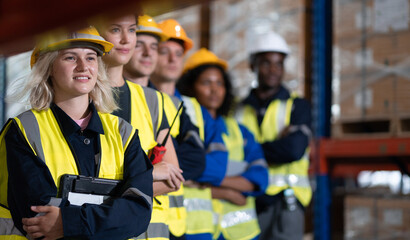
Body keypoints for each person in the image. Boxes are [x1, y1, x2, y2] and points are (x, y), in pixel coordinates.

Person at [0, 26, 153, 240]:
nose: (83, 67)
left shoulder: (123, 132)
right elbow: (39, 216)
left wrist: (70, 222)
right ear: (49, 67)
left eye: (91, 58)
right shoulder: (23, 130)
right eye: (70, 57)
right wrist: (110, 216)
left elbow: (139, 211)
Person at [96, 14, 183, 240]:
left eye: (132, 30)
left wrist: (107, 193)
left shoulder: (154, 100)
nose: (126, 39)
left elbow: (173, 178)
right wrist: (149, 175)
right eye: (115, 29)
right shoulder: (80, 97)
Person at [124, 16, 206, 240]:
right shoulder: (105, 97)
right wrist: (154, 170)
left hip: (165, 223)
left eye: (154, 47)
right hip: (123, 222)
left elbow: (196, 160)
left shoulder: (167, 103)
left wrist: (149, 170)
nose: (148, 53)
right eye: (140, 44)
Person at [178, 48, 269, 240]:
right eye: (206, 83)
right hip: (197, 230)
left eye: (219, 83)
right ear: (191, 87)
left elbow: (259, 178)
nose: (214, 90)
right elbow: (180, 177)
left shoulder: (240, 132)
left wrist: (205, 183)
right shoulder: (181, 126)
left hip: (241, 233)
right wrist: (227, 192)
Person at [236, 31, 312, 240]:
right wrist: (276, 144)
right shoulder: (238, 110)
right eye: (266, 63)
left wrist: (252, 149)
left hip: (286, 203)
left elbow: (294, 150)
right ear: (253, 65)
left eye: (279, 64)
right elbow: (232, 153)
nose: (273, 70)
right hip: (249, 199)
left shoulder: (297, 106)